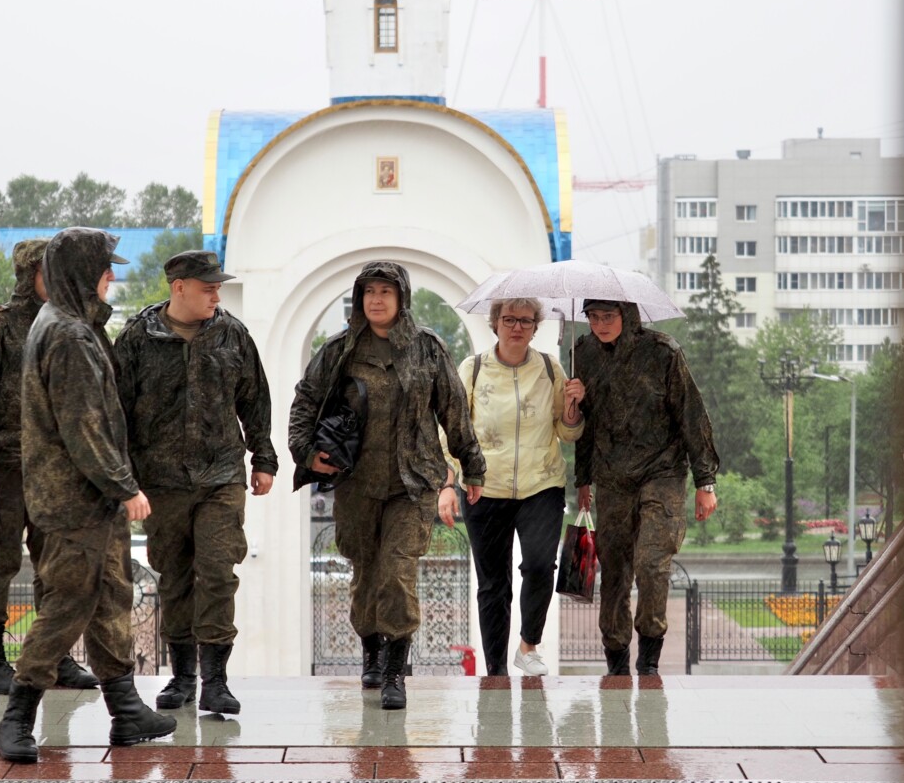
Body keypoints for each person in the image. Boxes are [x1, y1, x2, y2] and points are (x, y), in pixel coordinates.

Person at [0, 227, 175, 763]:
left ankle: (126, 709)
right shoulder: (68, 335)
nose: (111, 276)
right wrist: (124, 486)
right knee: (68, 606)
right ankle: (17, 718)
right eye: (104, 267)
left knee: (111, 598)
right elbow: (83, 426)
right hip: (76, 500)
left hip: (88, 499)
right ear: (80, 272)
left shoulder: (70, 324)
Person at [289, 260, 486, 710]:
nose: (376, 300)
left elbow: (454, 410)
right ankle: (372, 655)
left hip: (412, 484)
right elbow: (306, 400)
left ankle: (396, 670)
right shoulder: (340, 349)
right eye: (369, 291)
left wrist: (473, 467)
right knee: (365, 573)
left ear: (402, 298)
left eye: (385, 291)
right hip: (356, 482)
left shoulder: (427, 348)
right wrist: (305, 451)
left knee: (397, 572)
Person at [114, 249, 277, 716]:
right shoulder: (137, 338)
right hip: (161, 481)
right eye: (208, 288)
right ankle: (183, 677)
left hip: (221, 475)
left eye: (218, 288)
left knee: (218, 572)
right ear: (179, 287)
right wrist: (124, 480)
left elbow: (254, 399)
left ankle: (216, 681)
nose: (216, 296)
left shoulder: (232, 335)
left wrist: (263, 458)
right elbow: (116, 411)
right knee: (175, 576)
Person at [0, 238, 98, 694]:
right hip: (5, 468)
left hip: (53, 470)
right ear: (29, 274)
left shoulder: (69, 323)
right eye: (47, 271)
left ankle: (55, 656)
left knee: (54, 565)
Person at [438, 297, 586, 676]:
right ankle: (495, 671)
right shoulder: (473, 369)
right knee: (493, 584)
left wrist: (573, 410)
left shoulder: (550, 369)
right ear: (496, 324)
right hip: (483, 487)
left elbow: (567, 433)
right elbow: (451, 431)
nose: (517, 327)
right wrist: (453, 480)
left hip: (542, 484)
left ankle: (528, 646)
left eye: (525, 320)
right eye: (509, 319)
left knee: (539, 565)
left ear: (535, 327)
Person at [573, 299, 719, 676]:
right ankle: (616, 659)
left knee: (652, 563)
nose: (601, 324)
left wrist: (705, 481)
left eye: (608, 316)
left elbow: (692, 414)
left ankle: (649, 658)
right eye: (593, 317)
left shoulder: (662, 352)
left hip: (662, 472)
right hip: (611, 477)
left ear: (627, 315)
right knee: (614, 572)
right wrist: (582, 478)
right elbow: (585, 426)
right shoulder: (583, 354)